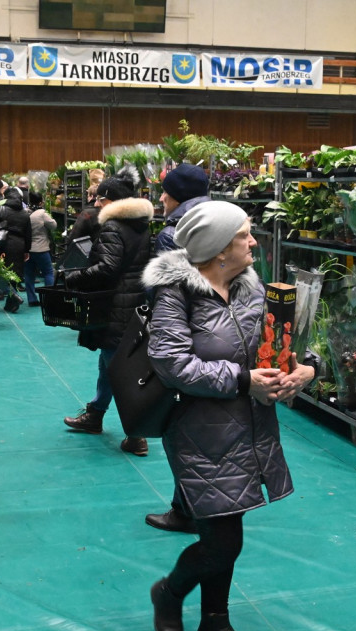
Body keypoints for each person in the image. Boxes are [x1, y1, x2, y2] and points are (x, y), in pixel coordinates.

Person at [141, 201, 315, 631]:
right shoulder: (176, 294)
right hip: (199, 431)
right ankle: (169, 593)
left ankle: (215, 624)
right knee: (224, 539)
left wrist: (301, 369)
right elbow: (172, 363)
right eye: (244, 234)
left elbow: (282, 340)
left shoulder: (251, 287)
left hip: (252, 427)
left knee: (228, 527)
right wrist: (243, 380)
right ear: (218, 249)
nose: (254, 241)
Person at [62, 169, 154, 457]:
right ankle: (96, 414)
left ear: (110, 200)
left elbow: (108, 268)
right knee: (110, 364)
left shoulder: (114, 227)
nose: (96, 203)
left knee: (119, 369)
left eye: (100, 198)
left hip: (116, 307)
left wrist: (75, 276)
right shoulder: (140, 226)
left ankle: (137, 434)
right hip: (134, 304)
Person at [144, 162, 213, 534]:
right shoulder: (227, 223)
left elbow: (166, 293)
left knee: (179, 426)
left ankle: (186, 508)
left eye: (165, 192)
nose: (161, 198)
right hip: (220, 336)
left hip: (186, 338)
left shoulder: (173, 233)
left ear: (178, 195)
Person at [154, 163, 211, 253]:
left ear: (178, 197)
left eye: (165, 192)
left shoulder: (170, 236)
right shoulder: (214, 224)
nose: (161, 199)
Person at [0, 186, 31, 313]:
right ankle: (11, 302)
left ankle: (13, 297)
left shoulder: (2, 210)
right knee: (15, 274)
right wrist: (27, 250)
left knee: (2, 273)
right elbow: (28, 234)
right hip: (19, 245)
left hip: (4, 244)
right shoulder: (25, 213)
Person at [23, 191, 56, 306]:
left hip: (27, 249)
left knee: (29, 274)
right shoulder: (41, 213)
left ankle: (32, 299)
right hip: (41, 248)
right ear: (41, 202)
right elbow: (53, 225)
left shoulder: (25, 212)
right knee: (48, 273)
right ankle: (48, 298)